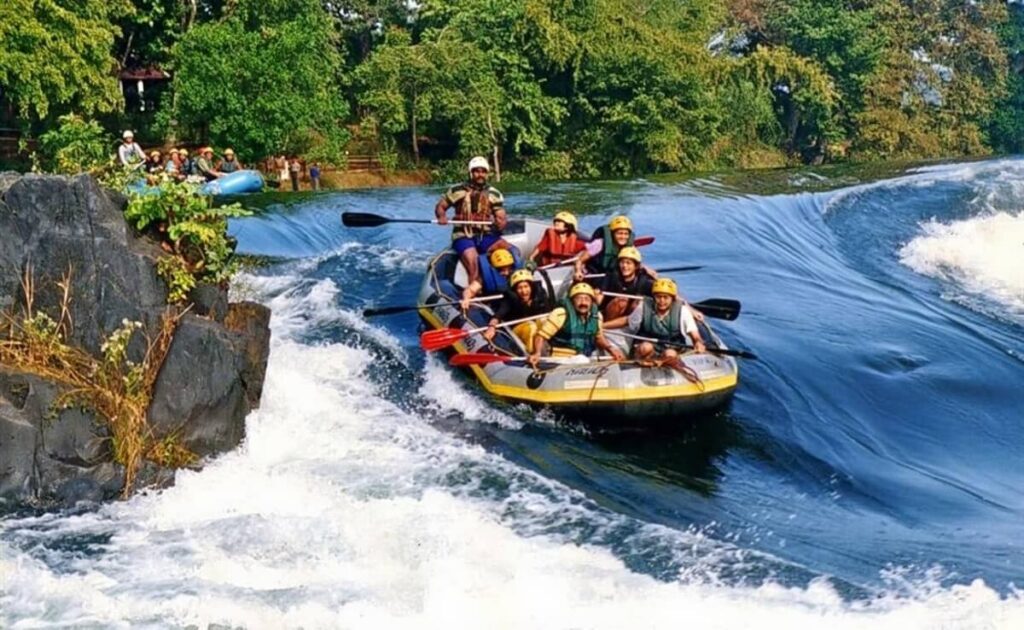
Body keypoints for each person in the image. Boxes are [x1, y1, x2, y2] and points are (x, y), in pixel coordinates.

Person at [434, 156, 509, 288]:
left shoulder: (493, 194)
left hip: (485, 234)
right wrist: (441, 216)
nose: (480, 174)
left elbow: (500, 214)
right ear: (471, 172)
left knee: (512, 251)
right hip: (463, 235)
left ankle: (509, 285)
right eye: (476, 171)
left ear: (487, 174)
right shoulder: (457, 190)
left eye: (483, 171)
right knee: (473, 262)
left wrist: (501, 222)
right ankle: (473, 295)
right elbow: (441, 206)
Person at [529, 282, 625, 367]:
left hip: (584, 358)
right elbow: (540, 336)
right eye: (579, 299)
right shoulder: (561, 314)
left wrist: (612, 349)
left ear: (592, 302)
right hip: (559, 359)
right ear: (572, 301)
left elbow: (598, 337)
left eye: (587, 299)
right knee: (581, 360)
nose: (583, 303)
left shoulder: (597, 316)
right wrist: (537, 353)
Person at [627, 278, 706, 361]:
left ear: (672, 299)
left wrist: (698, 342)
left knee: (670, 354)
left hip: (672, 346)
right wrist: (611, 325)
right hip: (648, 344)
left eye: (666, 297)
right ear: (654, 297)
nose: (662, 301)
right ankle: (641, 361)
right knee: (645, 347)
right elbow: (627, 321)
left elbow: (695, 335)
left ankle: (664, 363)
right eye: (658, 297)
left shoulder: (682, 311)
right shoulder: (644, 306)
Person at [483, 268, 551, 352]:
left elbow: (549, 313)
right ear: (515, 290)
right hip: (518, 329)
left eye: (526, 286)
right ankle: (531, 353)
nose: (524, 291)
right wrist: (491, 327)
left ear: (531, 287)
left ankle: (547, 348)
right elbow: (498, 315)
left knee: (544, 321)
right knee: (531, 327)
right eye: (520, 288)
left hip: (536, 326)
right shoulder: (510, 298)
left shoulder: (540, 295)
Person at [600, 246, 656, 327]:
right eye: (622, 262)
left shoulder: (644, 281)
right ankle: (606, 327)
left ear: (636, 266)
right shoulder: (611, 276)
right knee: (621, 301)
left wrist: (655, 277)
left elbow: (661, 294)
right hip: (610, 315)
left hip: (630, 320)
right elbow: (599, 296)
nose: (624, 266)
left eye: (628, 263)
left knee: (639, 302)